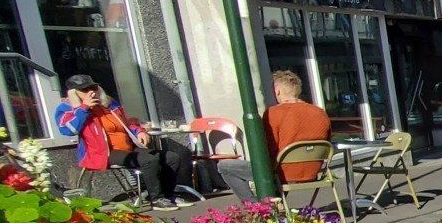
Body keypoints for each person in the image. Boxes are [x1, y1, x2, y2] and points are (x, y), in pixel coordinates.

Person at [54, 74, 191, 207]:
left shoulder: (108, 103)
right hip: (102, 152)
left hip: (127, 147)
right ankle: (156, 199)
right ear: (73, 93)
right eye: (85, 90)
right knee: (149, 160)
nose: (91, 92)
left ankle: (168, 195)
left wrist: (139, 131)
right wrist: (83, 107)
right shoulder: (66, 108)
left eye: (93, 88)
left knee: (172, 157)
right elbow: (68, 130)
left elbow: (126, 123)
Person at [215, 69, 331, 199]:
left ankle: (256, 206)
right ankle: (275, 203)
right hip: (313, 172)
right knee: (279, 161)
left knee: (224, 166)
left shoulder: (273, 113)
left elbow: (268, 150)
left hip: (281, 173)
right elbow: (326, 143)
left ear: (277, 91)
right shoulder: (320, 113)